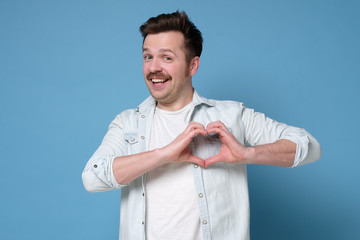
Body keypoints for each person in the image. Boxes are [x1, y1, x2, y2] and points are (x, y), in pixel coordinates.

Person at [82, 11, 321, 240]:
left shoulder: (231, 116)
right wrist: (163, 154)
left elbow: (310, 147)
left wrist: (248, 154)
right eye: (148, 56)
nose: (154, 67)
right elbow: (92, 178)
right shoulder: (127, 123)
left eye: (167, 57)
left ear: (192, 66)